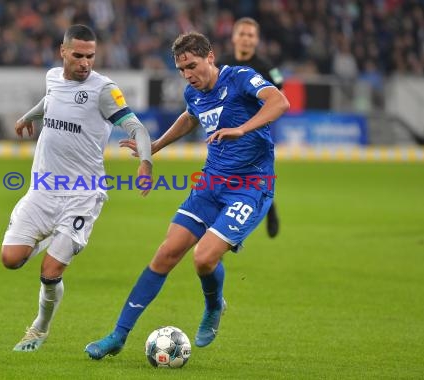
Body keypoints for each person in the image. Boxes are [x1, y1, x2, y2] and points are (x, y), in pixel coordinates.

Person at [85, 31, 289, 359]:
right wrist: (154, 147)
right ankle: (118, 335)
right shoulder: (193, 92)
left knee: (204, 258)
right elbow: (190, 117)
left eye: (192, 66)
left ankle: (213, 307)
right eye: (181, 70)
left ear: (210, 57)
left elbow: (280, 101)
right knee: (166, 254)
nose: (187, 75)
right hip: (211, 184)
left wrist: (242, 128)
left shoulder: (239, 77)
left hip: (251, 187)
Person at [1, 24, 153, 352]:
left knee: (50, 270)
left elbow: (136, 126)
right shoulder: (53, 77)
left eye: (91, 56)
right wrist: (27, 116)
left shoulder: (103, 90)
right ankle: (52, 239)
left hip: (83, 195)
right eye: (79, 56)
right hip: (43, 188)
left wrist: (145, 161)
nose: (85, 63)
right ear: (63, 52)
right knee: (10, 259)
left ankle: (39, 328)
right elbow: (51, 100)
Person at [219, 17, 285, 238]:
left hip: (255, 131)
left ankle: (269, 208)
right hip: (226, 132)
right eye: (242, 34)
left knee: (254, 173)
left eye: (251, 35)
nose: (246, 39)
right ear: (234, 37)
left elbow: (278, 97)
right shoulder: (221, 65)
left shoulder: (268, 69)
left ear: (256, 40)